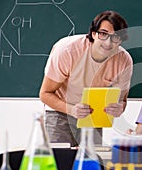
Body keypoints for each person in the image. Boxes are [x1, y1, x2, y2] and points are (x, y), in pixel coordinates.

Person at [39, 11, 133, 147]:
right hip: (60, 113)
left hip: (93, 115)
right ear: (94, 34)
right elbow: (45, 94)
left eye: (115, 37)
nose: (108, 42)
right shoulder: (67, 51)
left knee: (92, 163)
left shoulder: (124, 61)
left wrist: (119, 108)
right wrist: (72, 110)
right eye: (103, 34)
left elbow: (122, 100)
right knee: (59, 162)